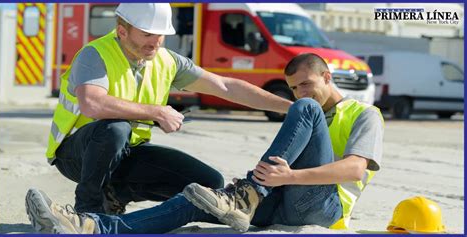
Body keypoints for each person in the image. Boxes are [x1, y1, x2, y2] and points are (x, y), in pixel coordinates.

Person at [26, 53, 384, 234]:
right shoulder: (307, 111)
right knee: (197, 197)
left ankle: (248, 192)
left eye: (307, 84)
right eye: (293, 88)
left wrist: (286, 177)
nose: (301, 93)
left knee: (304, 111)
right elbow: (229, 88)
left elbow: (354, 168)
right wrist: (278, 182)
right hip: (280, 204)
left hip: (324, 209)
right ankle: (93, 226)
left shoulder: (364, 113)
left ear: (327, 75)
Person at [42, 2, 292, 218]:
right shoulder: (94, 54)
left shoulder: (166, 60)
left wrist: (289, 108)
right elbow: (92, 104)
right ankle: (88, 210)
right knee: (114, 129)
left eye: (161, 35)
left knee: (209, 184)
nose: (156, 42)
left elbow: (226, 87)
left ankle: (115, 195)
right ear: (122, 31)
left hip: (126, 152)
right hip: (76, 155)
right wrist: (157, 112)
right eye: (148, 34)